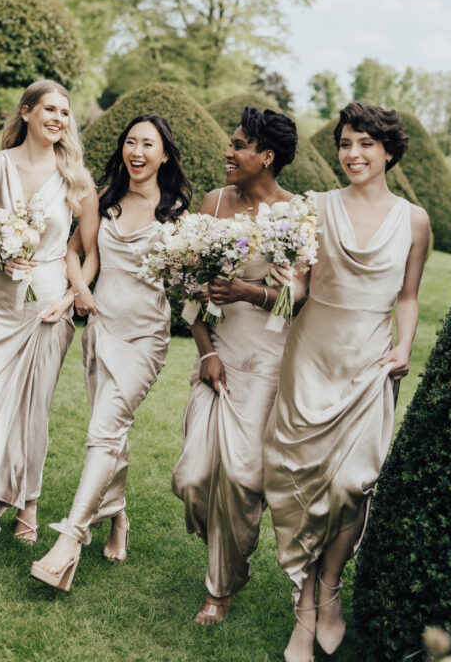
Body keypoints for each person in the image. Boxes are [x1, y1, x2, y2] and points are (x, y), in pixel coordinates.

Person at [263, 103, 430, 662]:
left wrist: (403, 348)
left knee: (351, 485)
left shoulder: (415, 221)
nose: (353, 154)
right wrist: (289, 281)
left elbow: (407, 298)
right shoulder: (314, 207)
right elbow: (302, 292)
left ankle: (325, 591)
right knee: (304, 485)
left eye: (365, 144)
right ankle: (308, 610)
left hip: (369, 362)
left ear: (388, 152)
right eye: (345, 143)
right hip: (311, 356)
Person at [0, 80, 99, 588]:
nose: (59, 118)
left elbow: (86, 251)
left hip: (47, 309)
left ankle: (27, 504)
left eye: (66, 112)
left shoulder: (75, 179)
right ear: (27, 112)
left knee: (34, 411)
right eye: (50, 109)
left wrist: (71, 295)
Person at [30, 114, 191, 592]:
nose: (136, 151)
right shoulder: (104, 200)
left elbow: (190, 280)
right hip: (101, 327)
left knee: (104, 431)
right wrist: (80, 290)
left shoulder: (178, 213)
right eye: (130, 142)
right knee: (109, 428)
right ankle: (118, 517)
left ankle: (69, 542)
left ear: (164, 155)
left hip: (145, 338)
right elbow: (74, 252)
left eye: (148, 144)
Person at [172, 107, 303, 625]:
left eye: (239, 145)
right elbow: (191, 287)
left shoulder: (296, 215)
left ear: (266, 156)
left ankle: (219, 588)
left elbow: (299, 298)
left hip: (267, 362)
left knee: (243, 477)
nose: (228, 152)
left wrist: (249, 291)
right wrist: (205, 350)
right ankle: (228, 551)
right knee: (194, 476)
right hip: (219, 356)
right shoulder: (215, 202)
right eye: (231, 143)